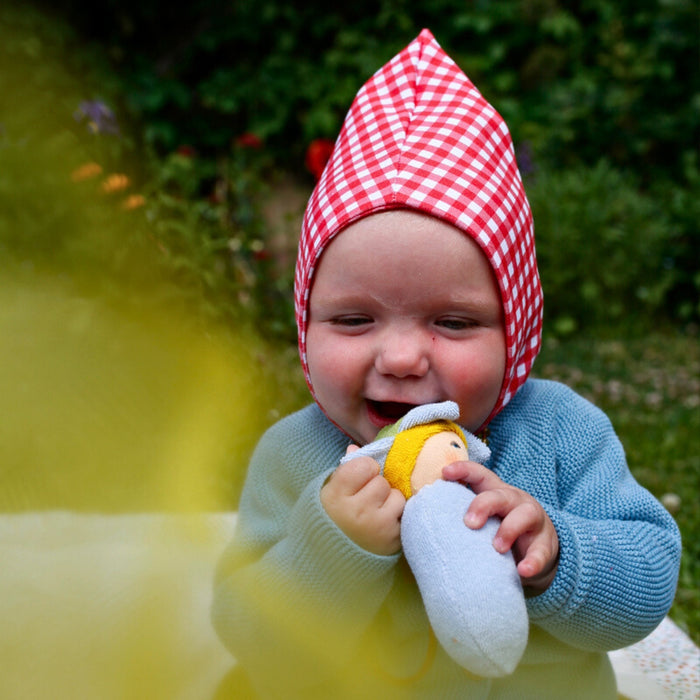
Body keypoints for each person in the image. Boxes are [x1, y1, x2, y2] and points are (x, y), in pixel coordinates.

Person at [212, 29, 681, 699]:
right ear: (304, 326)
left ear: (515, 330)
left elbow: (648, 584)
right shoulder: (294, 456)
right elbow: (252, 636)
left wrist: (557, 557)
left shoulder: (560, 432)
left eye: (453, 323)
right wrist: (329, 552)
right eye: (353, 319)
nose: (400, 358)